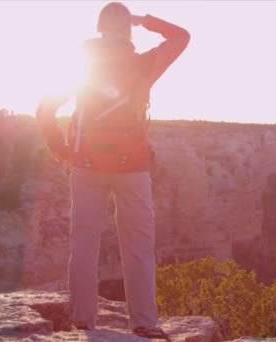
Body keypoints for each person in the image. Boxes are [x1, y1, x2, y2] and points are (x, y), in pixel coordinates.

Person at [36, 2, 189, 338]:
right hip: (132, 167)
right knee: (138, 247)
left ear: (99, 28)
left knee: (84, 243)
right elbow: (182, 36)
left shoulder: (82, 66)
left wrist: (61, 149)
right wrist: (145, 20)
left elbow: (45, 108)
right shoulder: (142, 64)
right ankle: (145, 323)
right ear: (127, 30)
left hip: (86, 165)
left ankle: (82, 320)